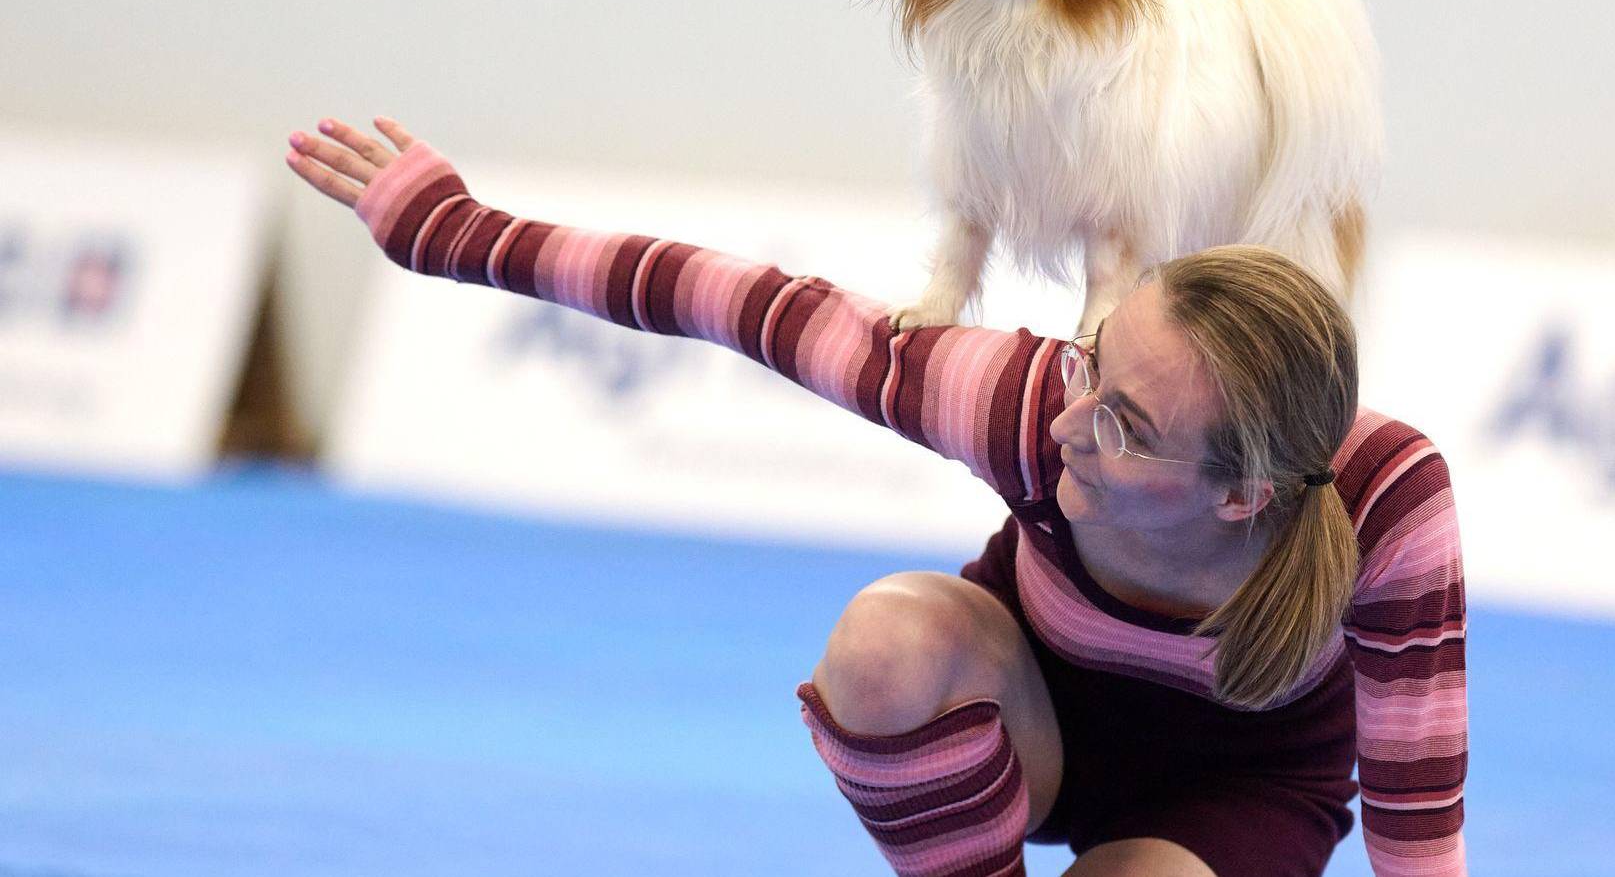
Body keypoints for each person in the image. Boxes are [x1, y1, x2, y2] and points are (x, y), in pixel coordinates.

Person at [285, 117, 1468, 877]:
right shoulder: (1016, 402)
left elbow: (1419, 827)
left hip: (1240, 796)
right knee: (887, 639)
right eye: (1089, 362)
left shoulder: (1387, 504)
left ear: (1242, 494)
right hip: (1029, 728)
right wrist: (460, 230)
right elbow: (739, 302)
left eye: (1123, 425)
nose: (1066, 422)